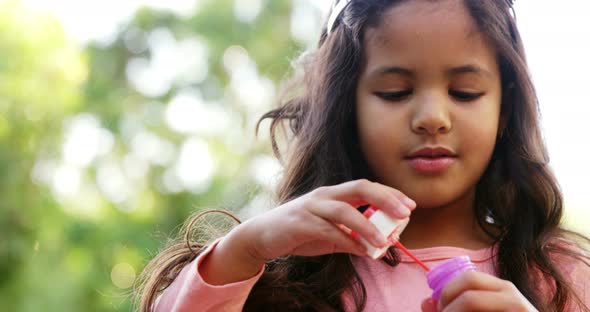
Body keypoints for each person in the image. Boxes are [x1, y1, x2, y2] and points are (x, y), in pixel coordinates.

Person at [136, 0, 590, 311]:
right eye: (395, 92)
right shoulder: (282, 282)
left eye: (464, 92)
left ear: (505, 111)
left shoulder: (563, 279)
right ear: (347, 109)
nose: (432, 117)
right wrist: (246, 249)